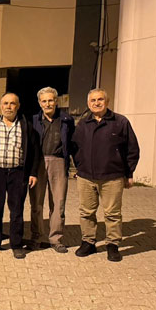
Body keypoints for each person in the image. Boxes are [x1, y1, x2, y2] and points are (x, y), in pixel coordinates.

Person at [71, 88, 140, 262]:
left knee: (112, 214)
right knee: (86, 212)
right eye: (93, 100)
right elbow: (75, 148)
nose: (96, 103)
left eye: (100, 99)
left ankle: (112, 244)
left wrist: (128, 173)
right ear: (88, 103)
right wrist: (80, 168)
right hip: (86, 177)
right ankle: (88, 242)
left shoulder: (120, 122)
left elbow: (132, 149)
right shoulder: (83, 124)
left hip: (112, 177)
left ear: (107, 102)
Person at [0, 93, 40, 259]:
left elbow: (35, 152)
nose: (8, 107)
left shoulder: (26, 126)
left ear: (18, 106)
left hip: (18, 174)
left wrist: (33, 173)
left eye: (12, 103)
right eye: (5, 103)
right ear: (0, 106)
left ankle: (16, 244)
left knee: (17, 211)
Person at [29, 87, 75, 253]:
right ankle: (36, 237)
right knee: (36, 203)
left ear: (56, 101)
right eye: (44, 101)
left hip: (58, 162)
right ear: (39, 103)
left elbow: (73, 143)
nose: (47, 104)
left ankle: (56, 239)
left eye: (50, 100)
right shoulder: (34, 120)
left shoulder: (66, 120)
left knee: (58, 203)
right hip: (38, 163)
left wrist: (76, 165)